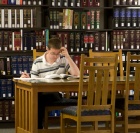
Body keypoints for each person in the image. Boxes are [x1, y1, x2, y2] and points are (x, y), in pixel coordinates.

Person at [21, 38, 80, 128]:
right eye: (53, 53)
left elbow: (77, 74)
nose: (55, 56)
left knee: (38, 99)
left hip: (56, 94)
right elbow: (33, 82)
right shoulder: (38, 62)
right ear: (47, 49)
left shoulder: (63, 59)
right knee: (36, 97)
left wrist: (67, 56)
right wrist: (27, 78)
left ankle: (37, 128)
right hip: (41, 93)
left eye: (58, 53)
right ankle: (34, 127)